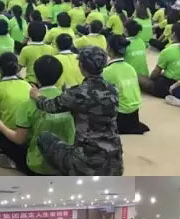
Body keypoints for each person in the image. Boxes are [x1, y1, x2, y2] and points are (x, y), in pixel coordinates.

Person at [30, 46, 123, 175]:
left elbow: (49, 106)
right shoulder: (113, 89)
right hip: (114, 160)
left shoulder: (77, 93)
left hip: (86, 162)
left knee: (44, 139)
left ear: (81, 66)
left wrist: (37, 96)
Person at [0, 54, 74, 174]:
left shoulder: (28, 104)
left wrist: (1, 126)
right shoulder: (69, 99)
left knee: (1, 136)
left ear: (36, 76)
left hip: (38, 167)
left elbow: (19, 139)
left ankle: (18, 164)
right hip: (67, 163)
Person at [103, 35, 149, 134]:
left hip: (120, 114)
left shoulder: (107, 71)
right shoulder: (130, 68)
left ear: (109, 49)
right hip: (134, 113)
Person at [139, 22, 180, 99]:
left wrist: (150, 81)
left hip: (168, 87)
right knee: (162, 74)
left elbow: (156, 72)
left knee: (139, 77)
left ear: (173, 34)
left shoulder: (168, 51)